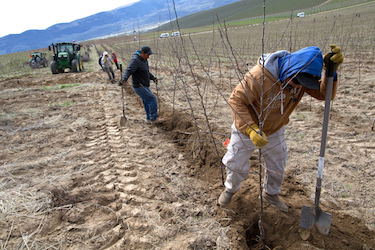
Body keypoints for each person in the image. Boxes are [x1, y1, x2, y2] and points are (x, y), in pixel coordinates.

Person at [218, 45, 343, 212]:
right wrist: (251, 129)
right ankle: (230, 190)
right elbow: (236, 101)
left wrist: (330, 73)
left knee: (278, 162)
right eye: (296, 82)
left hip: (276, 128)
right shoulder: (259, 76)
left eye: (303, 84)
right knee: (235, 163)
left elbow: (324, 95)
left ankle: (271, 194)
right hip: (247, 128)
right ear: (291, 70)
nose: (298, 87)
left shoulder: (301, 78)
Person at [119, 46, 164, 124]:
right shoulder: (135, 60)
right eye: (148, 54)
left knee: (147, 100)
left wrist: (152, 78)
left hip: (144, 84)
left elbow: (145, 72)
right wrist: (124, 79)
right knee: (152, 99)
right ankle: (153, 118)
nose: (149, 57)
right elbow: (129, 70)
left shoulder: (143, 60)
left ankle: (149, 117)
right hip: (139, 85)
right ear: (142, 53)